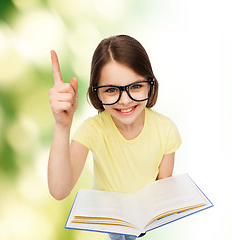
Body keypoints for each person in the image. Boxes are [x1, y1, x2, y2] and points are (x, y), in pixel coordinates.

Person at [48, 35, 182, 240]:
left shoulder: (166, 130)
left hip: (146, 225)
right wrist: (62, 125)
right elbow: (59, 190)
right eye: (111, 90)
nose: (125, 101)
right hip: (109, 224)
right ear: (97, 93)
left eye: (136, 86)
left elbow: (161, 190)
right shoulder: (93, 130)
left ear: (150, 85)